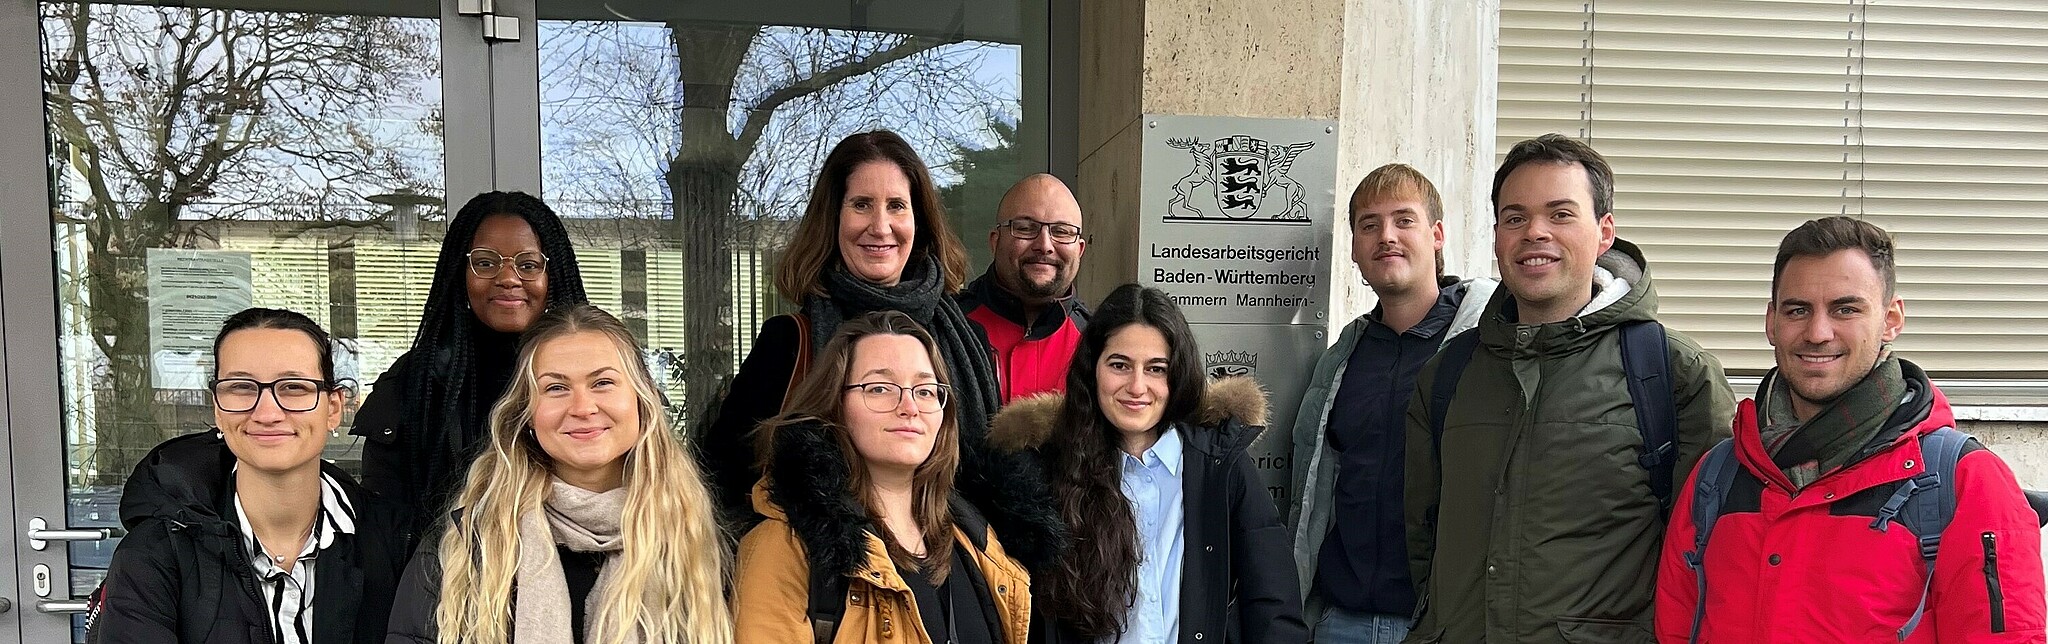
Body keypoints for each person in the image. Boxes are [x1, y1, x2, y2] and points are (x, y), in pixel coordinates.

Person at [1403, 134, 1735, 643]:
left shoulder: (1672, 373)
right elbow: (1423, 536)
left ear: (1604, 233)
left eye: (1560, 214)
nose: (1535, 232)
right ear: (1496, 236)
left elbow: (1710, 554)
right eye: (1515, 218)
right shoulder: (1449, 374)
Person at [1655, 217, 2046, 642]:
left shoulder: (1966, 482)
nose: (1818, 333)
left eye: (1846, 309)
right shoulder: (1718, 477)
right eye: (1797, 310)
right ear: (1771, 322)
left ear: (1891, 318)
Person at [699, 129, 1062, 570]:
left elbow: (987, 477)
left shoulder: (965, 338)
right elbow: (722, 486)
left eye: (896, 206)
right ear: (833, 219)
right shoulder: (791, 343)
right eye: (861, 205)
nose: (880, 226)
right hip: (831, 586)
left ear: (919, 220)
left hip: (948, 582)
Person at [384, 304, 731, 644]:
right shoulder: (470, 545)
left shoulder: (696, 542)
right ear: (527, 414)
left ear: (642, 400)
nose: (582, 407)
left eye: (603, 383)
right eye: (555, 388)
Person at [989, 283, 1308, 644]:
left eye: (1156, 369)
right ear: (1092, 370)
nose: (1137, 386)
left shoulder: (1220, 466)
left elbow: (1274, 607)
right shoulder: (1050, 471)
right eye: (1120, 365)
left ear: (1178, 375)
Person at [91, 308, 408, 644]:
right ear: (217, 406)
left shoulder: (397, 542)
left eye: (293, 387)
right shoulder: (154, 554)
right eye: (241, 387)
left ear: (333, 408)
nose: (267, 413)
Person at [1286, 164, 1495, 643]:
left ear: (1437, 235)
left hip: (1447, 626)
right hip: (1339, 623)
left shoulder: (1487, 348)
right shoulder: (1341, 358)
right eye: (1369, 225)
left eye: (1404, 220)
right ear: (1356, 250)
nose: (1387, 236)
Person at [733, 310, 1031, 643]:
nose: (909, 406)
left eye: (925, 390)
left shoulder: (978, 542)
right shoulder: (785, 547)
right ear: (835, 403)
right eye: (879, 388)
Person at [354, 191, 589, 542]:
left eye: (527, 264)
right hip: (446, 583)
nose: (508, 278)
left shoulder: (598, 373)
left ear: (553, 274)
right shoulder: (418, 382)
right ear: (460, 273)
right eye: (485, 262)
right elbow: (387, 528)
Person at [958, 173, 1091, 404]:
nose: (1044, 245)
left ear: (1079, 250)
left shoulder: (1097, 341)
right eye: (1026, 228)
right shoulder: (949, 326)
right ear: (995, 241)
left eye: (1061, 231)